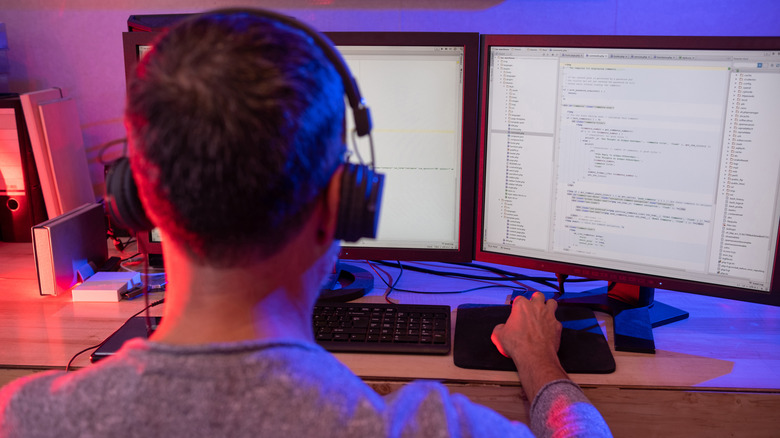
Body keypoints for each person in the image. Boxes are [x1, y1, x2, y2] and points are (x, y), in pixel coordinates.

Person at [0, 9, 611, 437]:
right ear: (345, 203)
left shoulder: (22, 420)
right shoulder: (440, 428)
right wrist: (540, 365)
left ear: (135, 200)